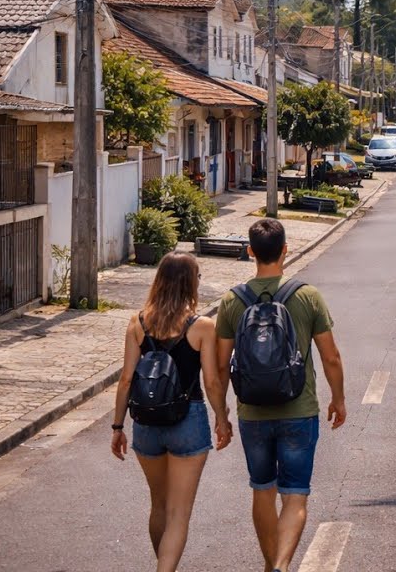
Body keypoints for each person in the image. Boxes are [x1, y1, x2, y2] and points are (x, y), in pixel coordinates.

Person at [216, 218, 346, 572]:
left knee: (262, 490)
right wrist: (338, 398)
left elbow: (219, 367)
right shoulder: (306, 296)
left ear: (250, 252)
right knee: (295, 495)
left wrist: (221, 415)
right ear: (285, 250)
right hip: (299, 410)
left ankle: (270, 564)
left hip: (252, 414)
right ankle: (282, 565)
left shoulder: (232, 301)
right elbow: (331, 356)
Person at [110, 251, 231, 572]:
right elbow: (212, 381)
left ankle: (164, 564)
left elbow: (126, 380)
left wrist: (117, 427)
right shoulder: (201, 326)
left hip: (146, 424)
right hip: (187, 421)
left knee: (159, 505)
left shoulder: (138, 323)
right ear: (191, 283)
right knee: (179, 514)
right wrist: (222, 418)